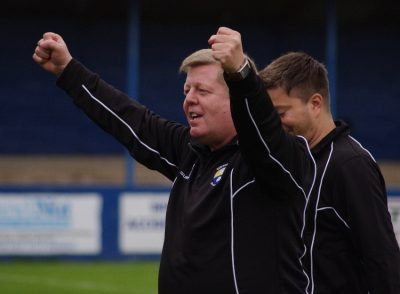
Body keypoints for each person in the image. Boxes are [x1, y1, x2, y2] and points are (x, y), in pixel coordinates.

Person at [33, 27, 316, 293]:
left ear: (236, 101)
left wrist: (242, 76)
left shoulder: (279, 159)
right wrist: (67, 70)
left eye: (202, 91)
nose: (189, 100)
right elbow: (134, 122)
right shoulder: (191, 153)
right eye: (186, 91)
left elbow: (265, 131)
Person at [258, 52, 400, 293]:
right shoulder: (293, 161)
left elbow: (381, 258)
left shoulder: (350, 164)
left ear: (315, 103)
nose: (274, 123)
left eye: (281, 113)